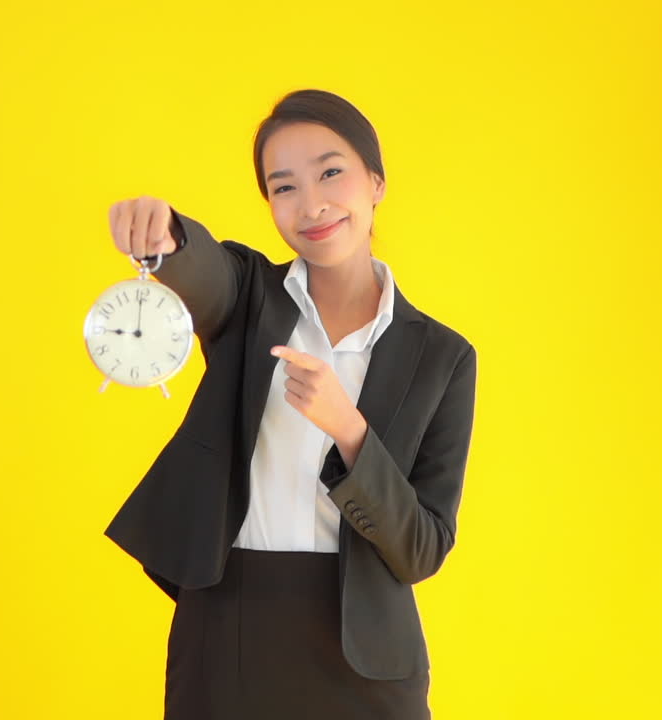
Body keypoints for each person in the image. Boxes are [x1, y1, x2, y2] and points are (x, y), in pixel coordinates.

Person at [103, 89, 478, 719]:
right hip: (230, 629)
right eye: (284, 188)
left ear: (376, 182)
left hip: (368, 654)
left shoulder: (443, 356)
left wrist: (350, 431)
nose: (312, 204)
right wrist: (166, 235)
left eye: (331, 172)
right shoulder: (250, 298)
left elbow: (422, 548)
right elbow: (206, 274)